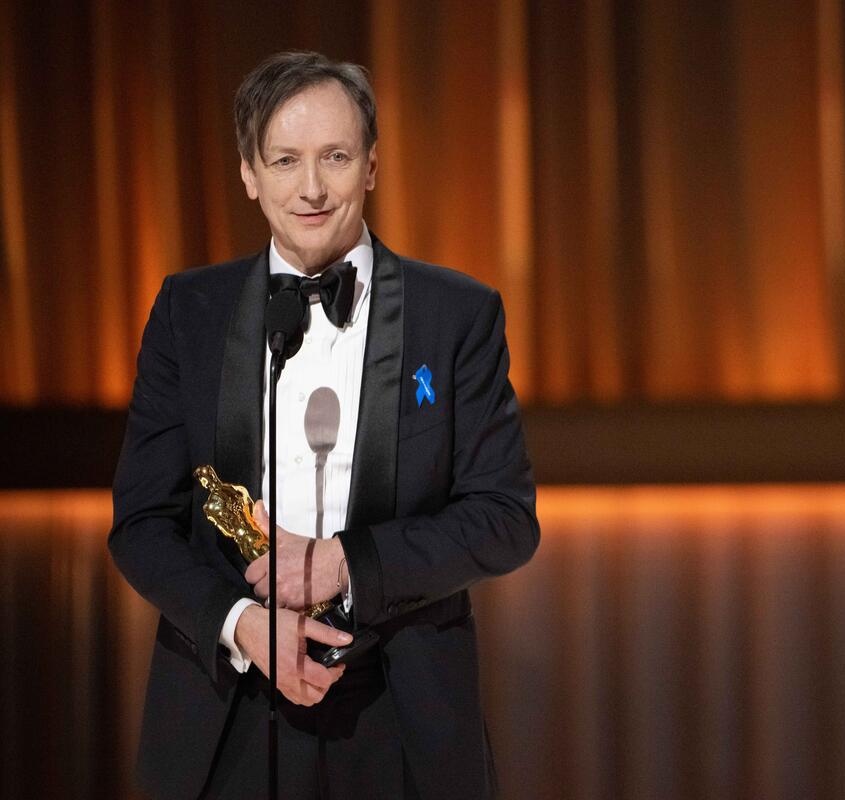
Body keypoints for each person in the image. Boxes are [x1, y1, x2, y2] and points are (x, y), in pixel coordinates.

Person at [109, 51, 539, 800]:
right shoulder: (189, 312)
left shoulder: (457, 316)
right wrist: (242, 623)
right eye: (285, 160)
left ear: (371, 166)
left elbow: (505, 520)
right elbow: (142, 522)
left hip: (402, 709)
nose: (311, 188)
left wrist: (349, 562)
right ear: (249, 173)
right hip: (225, 710)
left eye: (335, 157)